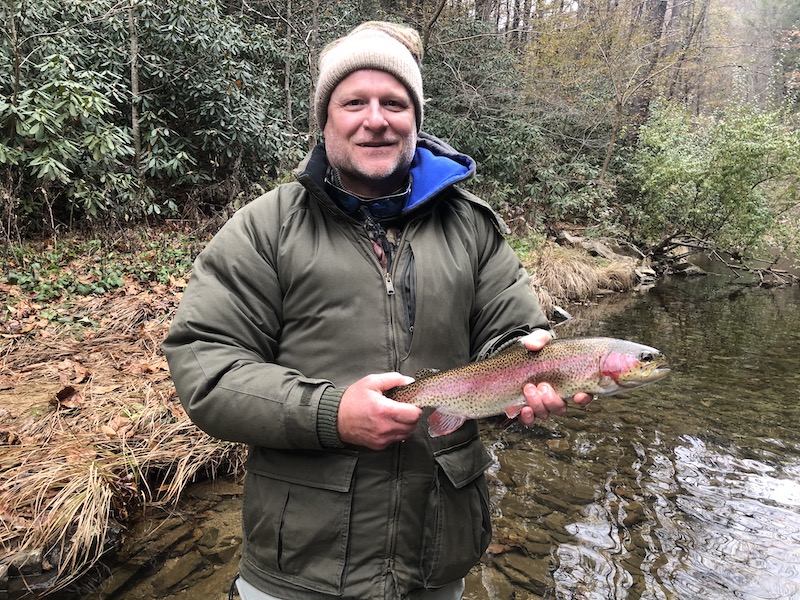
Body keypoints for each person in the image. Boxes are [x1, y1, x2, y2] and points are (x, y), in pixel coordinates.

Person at [163, 20, 591, 600]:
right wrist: (330, 413)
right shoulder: (265, 228)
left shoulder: (473, 227)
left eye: (394, 102)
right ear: (325, 119)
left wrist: (529, 371)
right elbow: (206, 366)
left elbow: (510, 330)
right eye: (353, 102)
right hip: (298, 564)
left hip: (435, 557)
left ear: (415, 117)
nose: (376, 119)